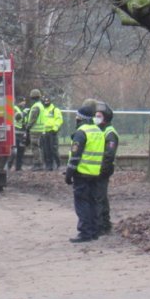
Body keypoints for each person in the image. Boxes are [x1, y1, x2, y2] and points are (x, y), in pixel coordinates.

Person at [65, 104, 105, 243]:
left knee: (82, 203)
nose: (76, 118)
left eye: (77, 116)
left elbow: (75, 156)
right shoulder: (98, 131)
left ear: (81, 118)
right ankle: (94, 231)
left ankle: (85, 232)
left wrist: (69, 173)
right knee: (93, 202)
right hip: (95, 172)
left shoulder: (81, 132)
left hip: (82, 173)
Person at [95, 103, 119, 236]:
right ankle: (102, 223)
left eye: (99, 116)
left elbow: (109, 155)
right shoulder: (100, 130)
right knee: (99, 196)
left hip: (103, 170)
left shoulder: (110, 133)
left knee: (100, 197)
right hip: (97, 169)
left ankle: (103, 224)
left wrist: (102, 170)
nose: (96, 118)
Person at [25, 89, 46, 170]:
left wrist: (28, 127)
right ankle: (40, 164)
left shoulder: (35, 106)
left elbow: (33, 119)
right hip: (40, 130)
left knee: (35, 147)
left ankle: (37, 164)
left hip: (35, 130)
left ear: (32, 97)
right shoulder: (41, 105)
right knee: (38, 147)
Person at [41, 95, 63, 171]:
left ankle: (58, 164)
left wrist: (55, 128)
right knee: (46, 150)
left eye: (47, 101)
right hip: (44, 132)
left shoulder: (55, 109)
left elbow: (59, 119)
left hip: (52, 132)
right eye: (45, 101)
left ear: (50, 101)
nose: (46, 102)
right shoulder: (43, 110)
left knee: (53, 149)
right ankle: (49, 165)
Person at [12, 98, 28, 171]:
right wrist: (24, 113)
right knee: (13, 152)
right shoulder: (14, 108)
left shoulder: (23, 110)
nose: (24, 103)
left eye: (24, 102)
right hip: (15, 133)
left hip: (22, 134)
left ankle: (18, 167)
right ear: (19, 102)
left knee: (21, 151)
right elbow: (17, 117)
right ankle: (9, 166)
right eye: (22, 102)